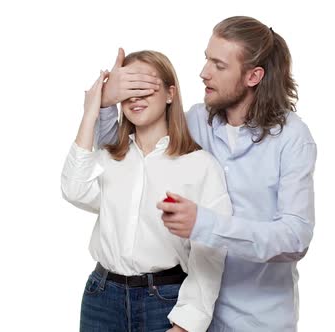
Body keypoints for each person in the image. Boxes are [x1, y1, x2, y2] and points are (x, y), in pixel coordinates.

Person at [97, 16, 317, 331]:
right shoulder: (194, 123)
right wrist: (108, 101)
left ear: (253, 76)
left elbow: (295, 238)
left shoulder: (293, 138)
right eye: (206, 59)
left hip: (258, 320)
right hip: (183, 312)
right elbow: (119, 161)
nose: (203, 73)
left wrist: (204, 224)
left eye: (219, 65)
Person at [61, 50, 232, 332]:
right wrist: (94, 107)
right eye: (128, 90)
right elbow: (73, 189)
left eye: (145, 88)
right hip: (101, 298)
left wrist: (187, 324)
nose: (136, 98)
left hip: (163, 302)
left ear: (170, 93)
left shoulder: (200, 166)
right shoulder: (110, 157)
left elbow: (211, 251)